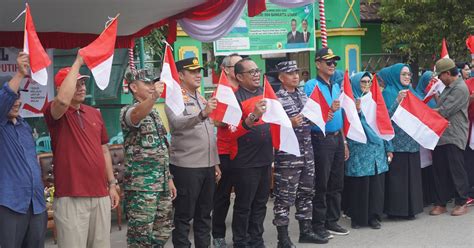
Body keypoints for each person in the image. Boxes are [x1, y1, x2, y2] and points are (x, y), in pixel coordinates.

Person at [43, 53, 120, 248]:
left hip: (100, 195)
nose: (82, 88)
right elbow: (61, 102)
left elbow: (104, 150)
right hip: (71, 196)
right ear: (62, 88)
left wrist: (112, 184)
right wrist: (78, 61)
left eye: (83, 84)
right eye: (76, 84)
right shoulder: (55, 111)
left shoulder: (94, 113)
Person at [165, 57, 220, 248]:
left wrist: (216, 162)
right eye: (193, 71)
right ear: (180, 75)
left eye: (199, 71)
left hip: (207, 166)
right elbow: (177, 124)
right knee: (183, 216)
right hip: (186, 166)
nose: (198, 75)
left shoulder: (201, 97)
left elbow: (209, 133)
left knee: (204, 215)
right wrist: (202, 114)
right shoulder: (175, 98)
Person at [273, 60, 328, 247]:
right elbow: (271, 127)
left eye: (297, 72)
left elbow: (309, 121)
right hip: (288, 157)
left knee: (306, 193)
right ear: (281, 78)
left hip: (307, 154)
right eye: (290, 73)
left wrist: (321, 117)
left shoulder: (304, 96)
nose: (295, 76)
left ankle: (305, 231)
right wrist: (290, 123)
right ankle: (283, 238)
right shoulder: (276, 99)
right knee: (285, 197)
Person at [120, 69, 176, 247]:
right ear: (134, 87)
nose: (152, 87)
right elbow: (136, 116)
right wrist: (153, 98)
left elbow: (161, 148)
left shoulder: (154, 114)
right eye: (147, 83)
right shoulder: (128, 111)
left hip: (161, 184)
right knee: (140, 237)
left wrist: (169, 179)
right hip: (141, 188)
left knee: (162, 232)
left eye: (153, 83)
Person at [0, 52, 47, 248]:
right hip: (10, 204)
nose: (17, 101)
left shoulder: (24, 126)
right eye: (12, 97)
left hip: (36, 204)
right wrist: (19, 74)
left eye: (19, 97)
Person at [304, 48, 350, 239]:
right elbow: (311, 116)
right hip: (320, 138)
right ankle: (318, 223)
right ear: (318, 64)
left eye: (334, 62)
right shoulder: (311, 85)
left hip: (337, 137)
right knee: (321, 183)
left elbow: (339, 117)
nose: (332, 66)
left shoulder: (336, 86)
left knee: (336, 182)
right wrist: (328, 111)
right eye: (328, 62)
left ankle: (332, 220)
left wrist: (344, 141)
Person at [230, 57, 271, 248]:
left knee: (261, 203)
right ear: (239, 76)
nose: (256, 75)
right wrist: (254, 115)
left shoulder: (266, 94)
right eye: (251, 72)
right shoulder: (234, 98)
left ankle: (256, 239)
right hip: (245, 161)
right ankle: (241, 241)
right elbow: (232, 131)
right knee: (244, 205)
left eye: (257, 71)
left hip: (265, 158)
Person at [345, 72, 392, 229]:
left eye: (369, 81)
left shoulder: (376, 100)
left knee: (375, 186)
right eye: (363, 82)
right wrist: (356, 111)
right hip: (359, 149)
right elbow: (346, 124)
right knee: (360, 185)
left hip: (376, 150)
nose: (366, 85)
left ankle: (374, 217)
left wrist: (389, 147)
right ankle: (358, 218)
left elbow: (384, 123)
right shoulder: (349, 100)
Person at [379, 63, 423, 219]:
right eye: (403, 74)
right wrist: (397, 100)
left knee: (412, 178)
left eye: (409, 74)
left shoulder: (413, 92)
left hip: (412, 143)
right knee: (398, 179)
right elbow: (384, 119)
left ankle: (411, 209)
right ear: (396, 75)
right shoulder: (388, 93)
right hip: (397, 144)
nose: (407, 77)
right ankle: (396, 211)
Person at [430, 58, 471, 216]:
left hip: (454, 134)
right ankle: (441, 202)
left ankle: (462, 201)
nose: (439, 79)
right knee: (440, 170)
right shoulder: (448, 87)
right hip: (441, 134)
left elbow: (444, 110)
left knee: (456, 169)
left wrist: (422, 111)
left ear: (447, 73)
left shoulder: (460, 88)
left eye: (440, 75)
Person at [212, 53, 242, 248]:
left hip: (246, 151)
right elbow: (215, 121)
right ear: (227, 70)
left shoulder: (247, 89)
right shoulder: (221, 92)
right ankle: (218, 235)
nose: (241, 69)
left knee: (244, 195)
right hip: (225, 150)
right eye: (236, 66)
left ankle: (241, 235)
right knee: (223, 196)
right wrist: (232, 115)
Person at [414, 71, 437, 206]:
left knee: (432, 167)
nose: (431, 84)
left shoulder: (435, 97)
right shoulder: (417, 96)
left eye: (433, 81)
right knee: (423, 166)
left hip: (433, 137)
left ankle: (432, 196)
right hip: (422, 138)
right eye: (429, 81)